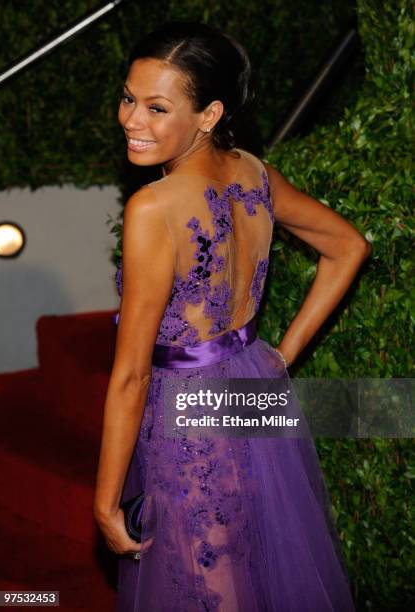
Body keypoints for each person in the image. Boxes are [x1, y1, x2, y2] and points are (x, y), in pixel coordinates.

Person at [93, 21, 370, 611]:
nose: (131, 120)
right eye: (128, 98)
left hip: (187, 411)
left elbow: (131, 375)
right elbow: (348, 247)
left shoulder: (153, 208)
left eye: (157, 107)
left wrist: (105, 499)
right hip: (249, 381)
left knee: (213, 584)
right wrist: (280, 357)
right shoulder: (254, 172)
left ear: (209, 114)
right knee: (256, 559)